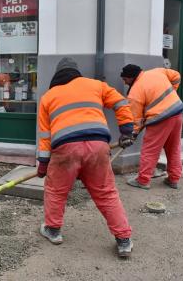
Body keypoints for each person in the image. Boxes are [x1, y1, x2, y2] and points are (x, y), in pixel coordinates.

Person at [36, 57, 135, 257]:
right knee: (106, 193)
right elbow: (121, 102)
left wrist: (43, 165)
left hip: (65, 148)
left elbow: (45, 137)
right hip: (98, 146)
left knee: (56, 191)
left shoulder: (48, 97)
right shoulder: (95, 85)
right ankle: (123, 239)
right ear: (76, 72)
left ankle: (53, 230)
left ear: (57, 75)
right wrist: (126, 130)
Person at [120, 64, 183, 190]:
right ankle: (174, 179)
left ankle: (143, 180)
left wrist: (132, 134)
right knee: (174, 148)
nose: (125, 83)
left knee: (150, 150)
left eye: (125, 80)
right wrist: (171, 93)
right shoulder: (157, 71)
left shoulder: (134, 93)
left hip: (160, 119)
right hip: (177, 112)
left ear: (131, 77)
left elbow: (135, 120)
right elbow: (177, 76)